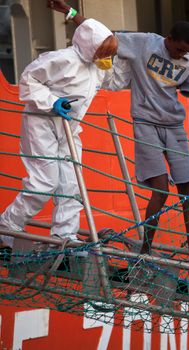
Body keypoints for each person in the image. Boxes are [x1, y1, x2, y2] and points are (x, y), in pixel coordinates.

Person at [48, 1, 189, 264]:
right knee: (161, 190)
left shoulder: (188, 62)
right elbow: (101, 35)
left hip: (174, 126)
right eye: (178, 49)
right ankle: (145, 249)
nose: (180, 56)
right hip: (146, 123)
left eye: (186, 52)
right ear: (169, 39)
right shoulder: (145, 43)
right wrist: (70, 13)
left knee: (188, 190)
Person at [0, 3, 123, 257]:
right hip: (42, 122)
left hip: (70, 128)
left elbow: (91, 32)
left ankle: (64, 238)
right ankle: (6, 230)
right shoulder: (61, 59)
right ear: (90, 47)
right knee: (44, 182)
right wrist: (51, 102)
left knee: (71, 182)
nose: (105, 58)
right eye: (103, 52)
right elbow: (28, 78)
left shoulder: (96, 69)